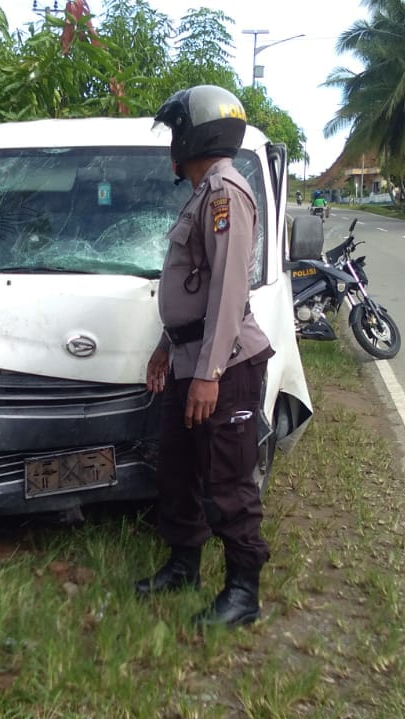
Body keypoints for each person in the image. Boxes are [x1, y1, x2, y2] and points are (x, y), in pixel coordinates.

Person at [135, 85, 275, 628]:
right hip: (190, 359)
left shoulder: (225, 194)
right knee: (179, 470)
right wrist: (165, 348)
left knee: (227, 481)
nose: (173, 142)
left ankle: (244, 592)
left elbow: (229, 290)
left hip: (226, 367)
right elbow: (192, 290)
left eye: (177, 130)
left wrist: (210, 373)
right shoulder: (201, 196)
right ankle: (183, 566)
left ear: (198, 133)